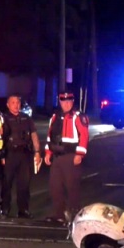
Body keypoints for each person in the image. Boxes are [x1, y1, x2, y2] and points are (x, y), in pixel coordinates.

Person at [44, 91, 89, 224]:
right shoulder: (55, 117)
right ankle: (60, 215)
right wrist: (48, 152)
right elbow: (50, 136)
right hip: (57, 157)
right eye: (63, 101)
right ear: (60, 102)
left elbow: (84, 135)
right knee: (55, 186)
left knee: (72, 187)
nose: (66, 104)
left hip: (71, 156)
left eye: (69, 101)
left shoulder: (78, 116)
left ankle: (74, 215)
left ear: (72, 102)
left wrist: (80, 154)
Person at [1, 95, 41, 219]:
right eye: (13, 102)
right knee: (6, 183)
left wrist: (37, 151)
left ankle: (23, 210)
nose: (16, 105)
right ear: (8, 105)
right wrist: (1, 155)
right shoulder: (4, 118)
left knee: (24, 184)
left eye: (18, 102)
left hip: (24, 154)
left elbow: (34, 135)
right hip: (10, 154)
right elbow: (0, 137)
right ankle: (4, 209)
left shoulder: (26, 118)